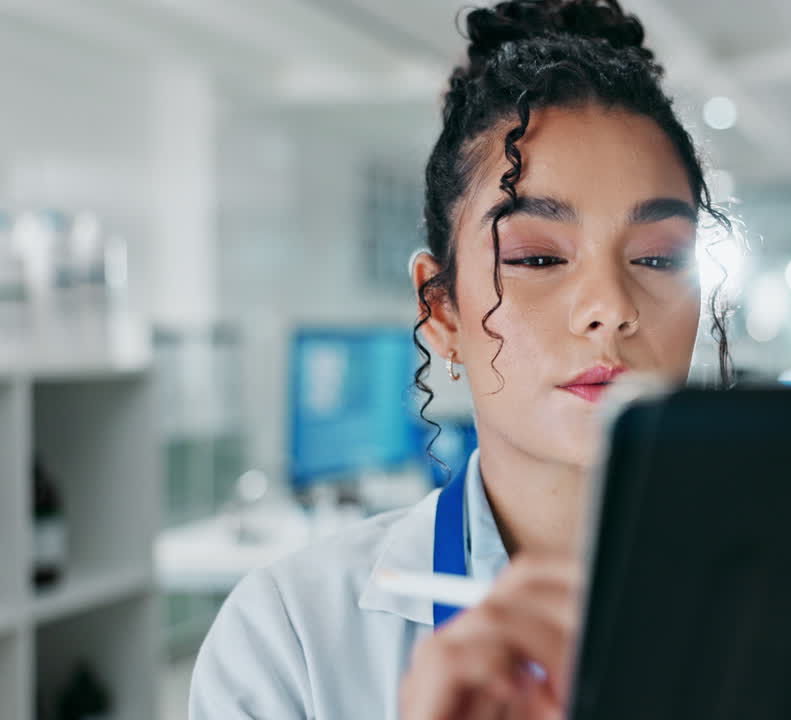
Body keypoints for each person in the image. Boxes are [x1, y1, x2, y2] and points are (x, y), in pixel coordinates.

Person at [187, 1, 733, 717]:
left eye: (659, 258)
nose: (610, 306)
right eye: (537, 257)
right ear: (442, 309)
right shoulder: (290, 636)